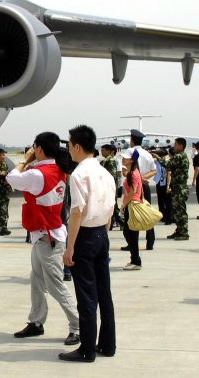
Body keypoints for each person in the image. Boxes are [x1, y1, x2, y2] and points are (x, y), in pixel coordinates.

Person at [6, 132, 80, 347]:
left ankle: (77, 325)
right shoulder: (58, 169)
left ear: (38, 149)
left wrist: (24, 160)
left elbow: (11, 178)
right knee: (37, 281)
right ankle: (36, 322)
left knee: (55, 285)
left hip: (48, 237)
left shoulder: (37, 173)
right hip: (45, 234)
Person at [60, 125, 117, 362]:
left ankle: (87, 349)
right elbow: (111, 207)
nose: (69, 151)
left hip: (84, 236)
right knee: (104, 293)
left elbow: (76, 212)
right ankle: (107, 344)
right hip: (101, 234)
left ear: (76, 146)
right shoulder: (106, 172)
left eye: (69, 146)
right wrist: (103, 235)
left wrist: (70, 246)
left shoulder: (79, 174)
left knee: (86, 297)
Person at [119, 150, 146, 270]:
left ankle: (136, 261)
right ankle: (134, 259)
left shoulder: (133, 174)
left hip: (132, 205)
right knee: (129, 233)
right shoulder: (133, 172)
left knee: (131, 234)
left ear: (131, 160)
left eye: (125, 158)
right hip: (132, 204)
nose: (123, 159)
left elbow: (133, 191)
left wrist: (124, 204)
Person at [166, 138, 191, 240]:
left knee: (180, 211)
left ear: (181, 146)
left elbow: (167, 164)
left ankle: (184, 232)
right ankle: (179, 230)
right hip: (178, 188)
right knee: (177, 211)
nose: (174, 146)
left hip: (180, 188)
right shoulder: (181, 156)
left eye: (176, 144)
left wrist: (158, 158)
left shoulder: (179, 156)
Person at [99, 144, 124, 230]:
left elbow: (113, 177)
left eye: (103, 150)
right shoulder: (104, 161)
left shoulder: (111, 161)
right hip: (106, 188)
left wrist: (113, 190)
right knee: (112, 207)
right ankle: (112, 224)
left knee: (113, 207)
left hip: (109, 188)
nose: (102, 152)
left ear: (109, 151)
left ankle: (121, 222)